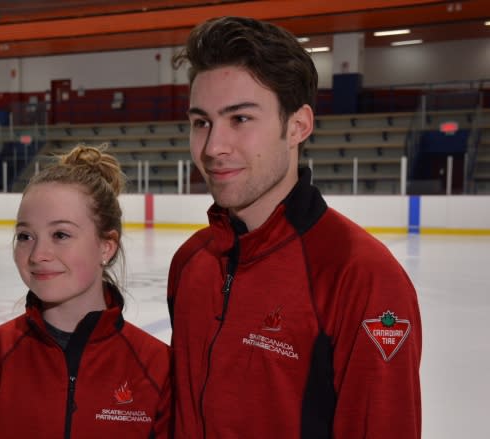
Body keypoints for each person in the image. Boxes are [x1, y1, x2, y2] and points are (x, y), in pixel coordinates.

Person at [167, 16, 422, 438]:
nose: (213, 147)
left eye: (241, 119)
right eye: (201, 122)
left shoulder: (361, 276)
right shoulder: (192, 261)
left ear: (298, 126)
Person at [0, 145, 172, 438]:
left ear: (106, 246)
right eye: (25, 236)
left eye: (60, 235)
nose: (38, 254)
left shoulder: (157, 368)